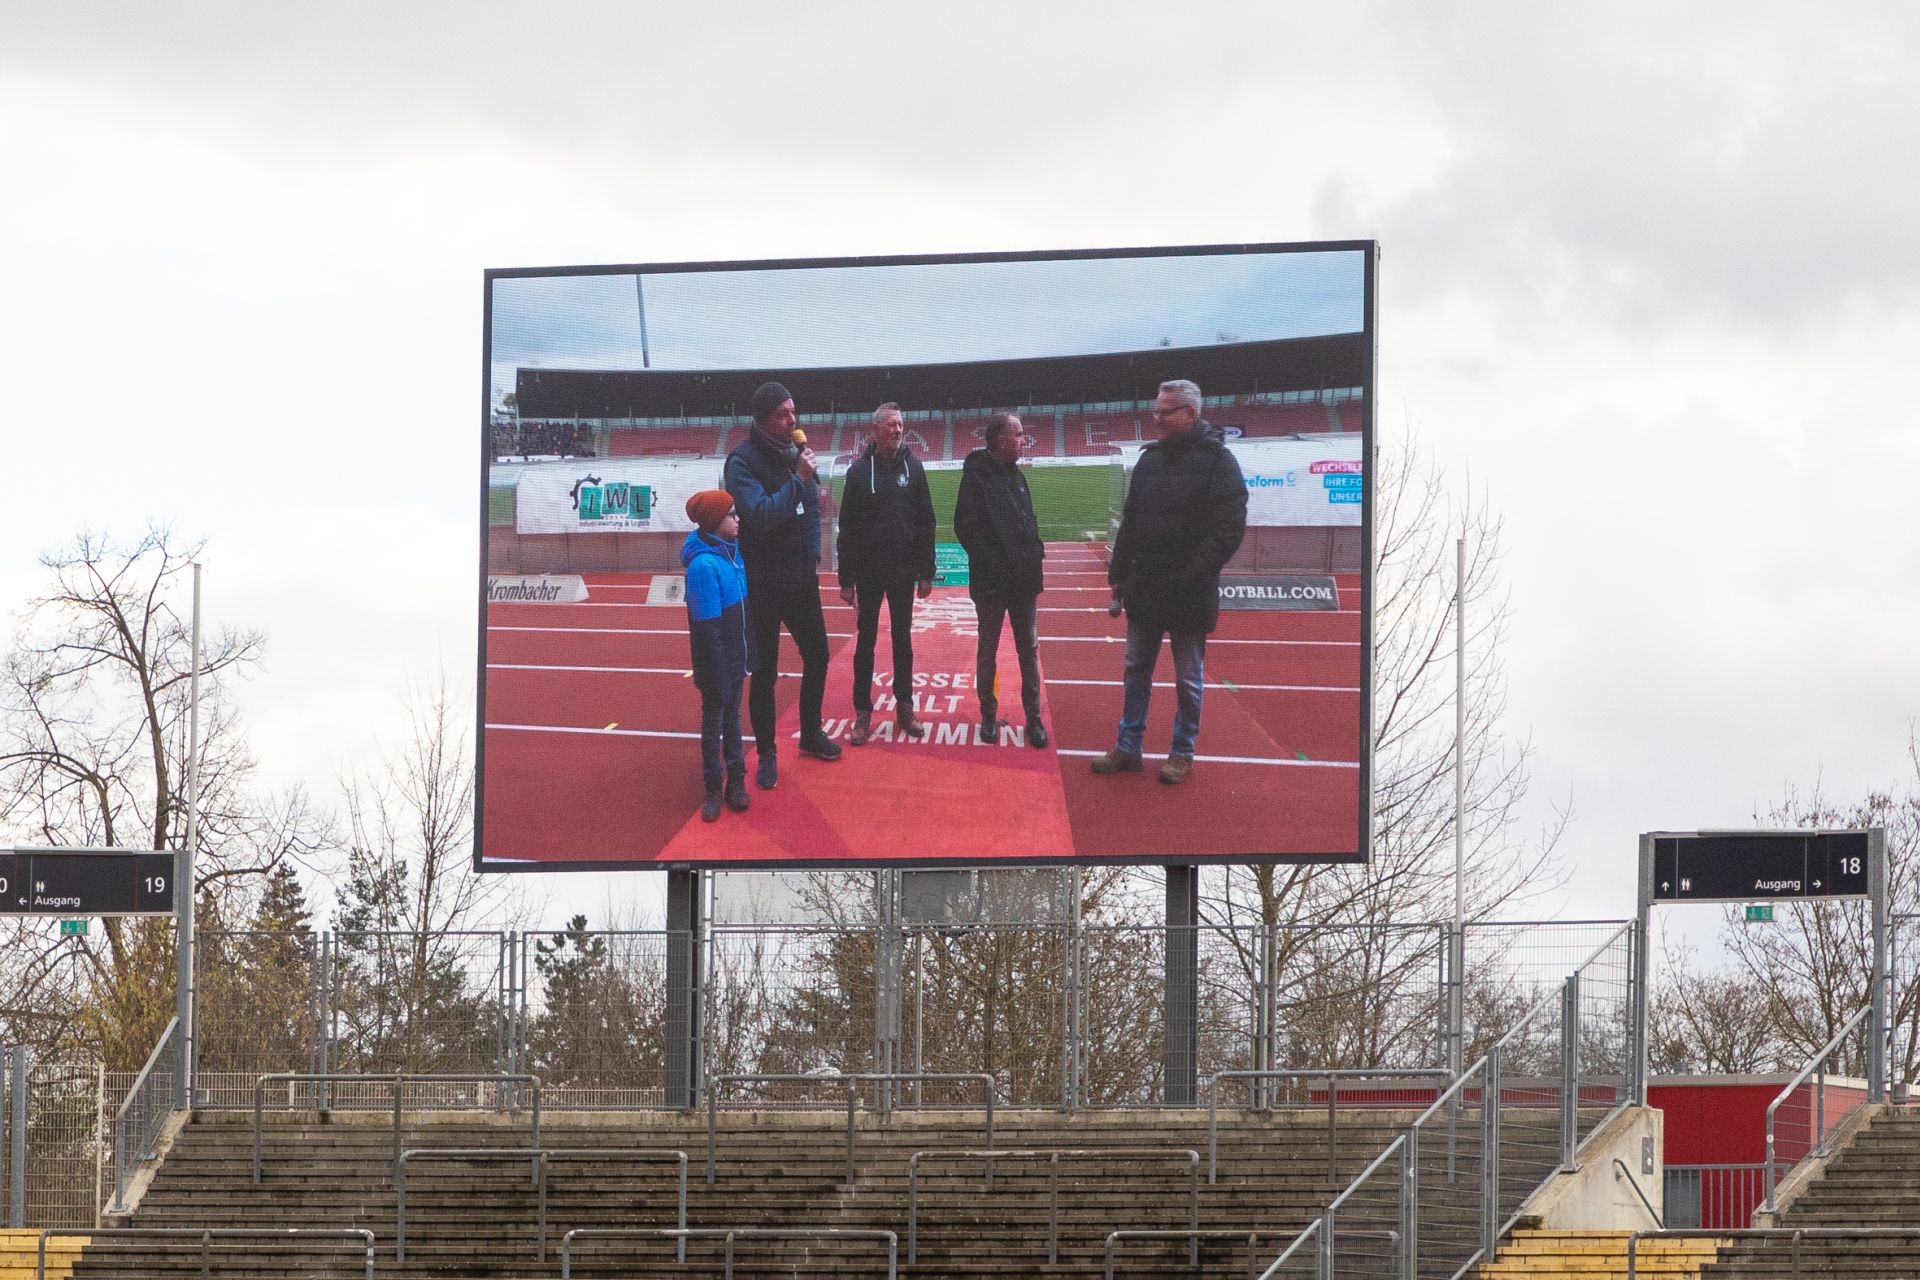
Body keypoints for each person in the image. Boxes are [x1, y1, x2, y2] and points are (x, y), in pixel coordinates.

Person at [1092, 379, 1247, 784]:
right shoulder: (1150, 460)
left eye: (1165, 412)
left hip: (1189, 591)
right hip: (1145, 586)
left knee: (1187, 679)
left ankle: (1182, 752)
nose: (1156, 418)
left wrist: (1193, 573)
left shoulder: (1219, 463)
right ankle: (1128, 747)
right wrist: (1118, 574)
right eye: (1156, 410)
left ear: (1190, 413)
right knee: (1135, 671)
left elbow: (1229, 530)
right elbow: (1131, 522)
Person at [723, 380, 841, 789]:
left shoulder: (795, 453)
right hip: (762, 583)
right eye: (783, 414)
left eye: (794, 412)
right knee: (766, 672)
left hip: (800, 578)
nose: (793, 421)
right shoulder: (741, 462)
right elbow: (759, 515)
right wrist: (797, 478)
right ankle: (767, 752)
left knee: (819, 655)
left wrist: (812, 554)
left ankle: (810, 732)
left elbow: (809, 510)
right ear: (762, 419)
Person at [836, 402, 936, 745]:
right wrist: (846, 579)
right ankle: (863, 712)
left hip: (903, 572)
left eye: (900, 424)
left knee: (902, 641)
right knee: (865, 643)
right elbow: (847, 528)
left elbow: (926, 522)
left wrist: (926, 571)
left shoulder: (915, 468)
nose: (898, 430)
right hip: (868, 573)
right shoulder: (858, 473)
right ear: (875, 429)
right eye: (891, 424)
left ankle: (905, 707)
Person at [952, 411, 1049, 748]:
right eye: (1018, 434)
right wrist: (995, 563)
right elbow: (965, 527)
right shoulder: (976, 477)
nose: (1024, 440)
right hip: (992, 584)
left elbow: (1028, 521)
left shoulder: (1018, 477)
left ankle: (1033, 717)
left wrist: (1035, 552)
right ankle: (988, 715)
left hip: (1024, 582)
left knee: (1028, 650)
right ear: (1001, 439)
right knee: (988, 650)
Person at [680, 490, 755, 821]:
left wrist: (748, 654)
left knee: (733, 719)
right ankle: (713, 787)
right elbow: (708, 630)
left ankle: (736, 781)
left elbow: (743, 613)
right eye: (731, 515)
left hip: (736, 658)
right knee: (714, 724)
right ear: (714, 521)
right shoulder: (703, 566)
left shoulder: (732, 554)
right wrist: (720, 672)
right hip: (716, 664)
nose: (738, 519)